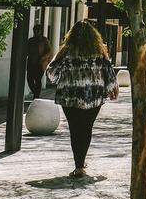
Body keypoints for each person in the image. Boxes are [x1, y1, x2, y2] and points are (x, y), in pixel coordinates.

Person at [45, 21, 118, 178]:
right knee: (86, 128)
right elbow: (109, 72)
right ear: (93, 36)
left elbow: (51, 73)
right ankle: (81, 162)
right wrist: (112, 88)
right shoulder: (99, 51)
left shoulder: (66, 51)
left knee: (75, 129)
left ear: (71, 35)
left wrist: (64, 75)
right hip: (94, 96)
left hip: (70, 96)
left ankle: (78, 165)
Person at [26, 29, 52, 99]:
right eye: (35, 30)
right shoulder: (31, 40)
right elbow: (27, 50)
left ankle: (36, 96)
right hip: (31, 62)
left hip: (40, 63)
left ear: (41, 31)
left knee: (38, 79)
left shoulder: (44, 40)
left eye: (38, 30)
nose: (36, 32)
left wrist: (43, 57)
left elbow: (49, 51)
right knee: (29, 79)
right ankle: (36, 93)